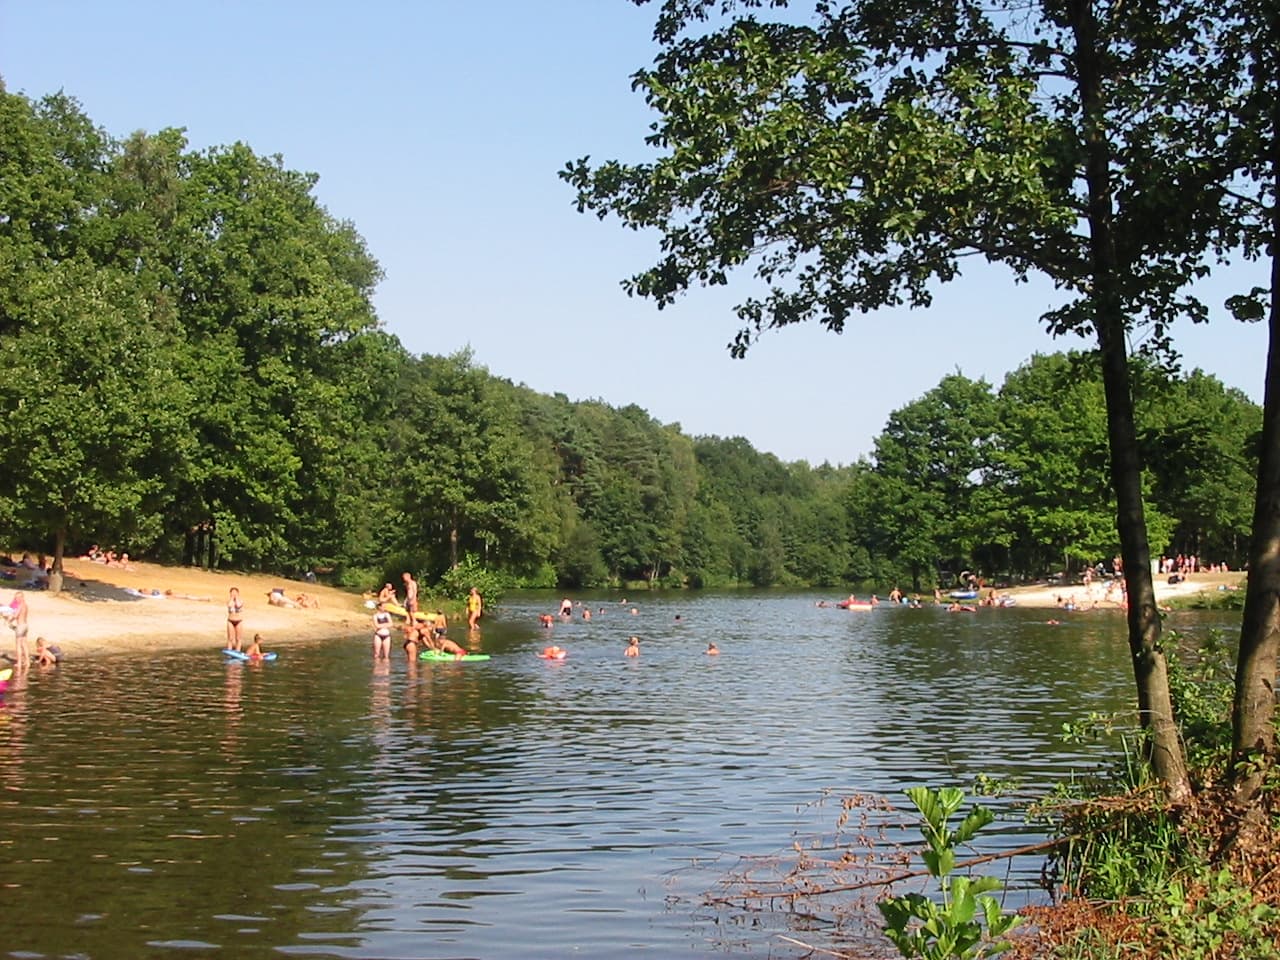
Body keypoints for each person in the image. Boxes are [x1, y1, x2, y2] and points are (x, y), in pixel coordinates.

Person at [5, 591, 29, 670]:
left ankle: (19, 663)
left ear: (22, 597)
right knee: (24, 644)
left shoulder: (20, 605)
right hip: (25, 626)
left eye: (18, 597)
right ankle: (27, 662)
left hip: (20, 626)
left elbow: (16, 615)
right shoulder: (25, 605)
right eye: (16, 598)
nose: (17, 599)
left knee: (18, 645)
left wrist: (8, 620)